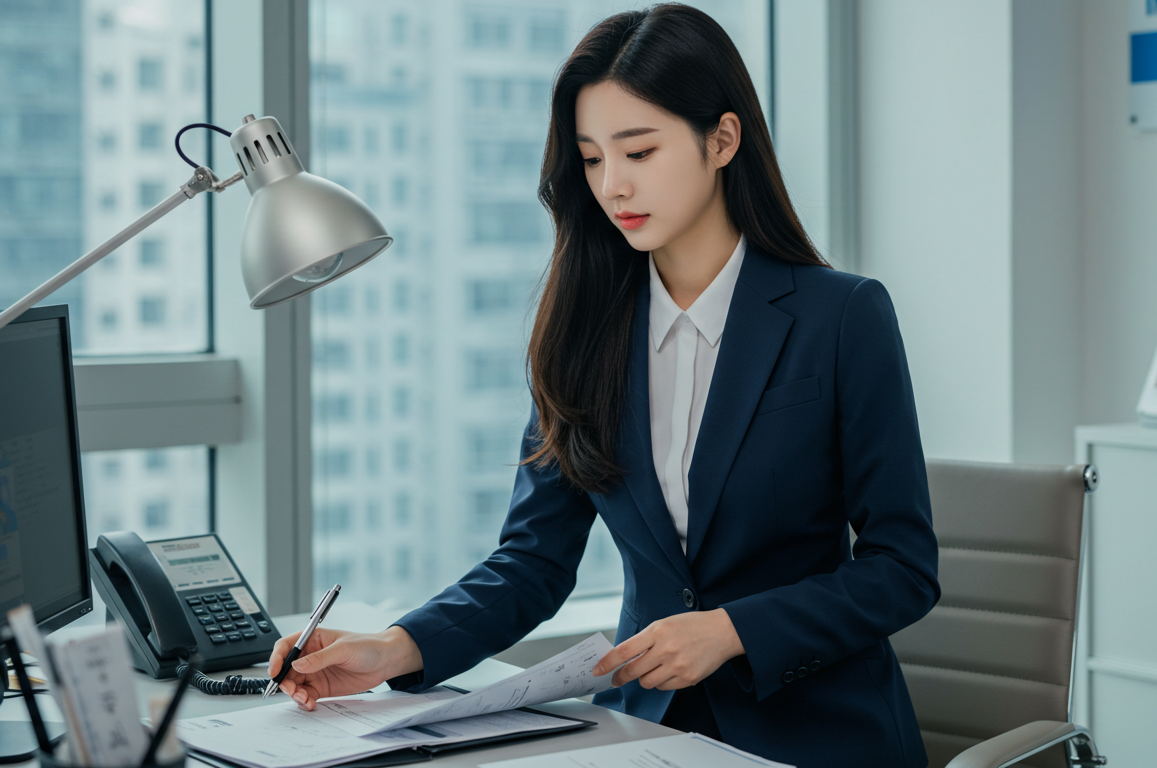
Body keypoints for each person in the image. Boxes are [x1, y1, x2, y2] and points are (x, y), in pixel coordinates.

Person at [267, 5, 939, 766]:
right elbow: (534, 560)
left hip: (816, 736)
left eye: (639, 151)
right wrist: (393, 649)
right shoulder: (584, 332)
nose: (613, 185)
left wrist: (731, 630)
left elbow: (901, 569)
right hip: (644, 734)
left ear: (722, 139)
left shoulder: (841, 316)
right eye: (591, 159)